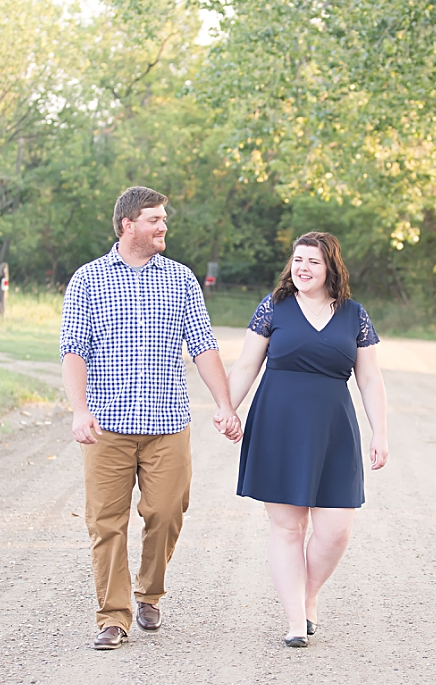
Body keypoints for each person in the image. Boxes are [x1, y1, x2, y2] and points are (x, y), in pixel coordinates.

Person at [60, 186, 241, 650]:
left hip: (167, 425)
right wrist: (79, 411)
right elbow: (73, 351)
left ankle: (149, 592)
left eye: (163, 219)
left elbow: (203, 346)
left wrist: (224, 404)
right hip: (108, 426)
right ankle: (113, 616)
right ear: (127, 224)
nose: (163, 227)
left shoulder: (181, 279)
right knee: (106, 522)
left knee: (166, 512)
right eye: (154, 219)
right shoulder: (88, 280)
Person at [226, 232, 388, 647]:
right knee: (288, 528)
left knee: (336, 531)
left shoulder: (355, 315)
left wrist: (380, 432)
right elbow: (247, 363)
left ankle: (308, 596)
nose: (302, 268)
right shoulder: (274, 307)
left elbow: (369, 379)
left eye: (312, 261)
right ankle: (296, 620)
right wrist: (228, 407)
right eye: (297, 260)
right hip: (278, 425)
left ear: (331, 267)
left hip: (334, 428)